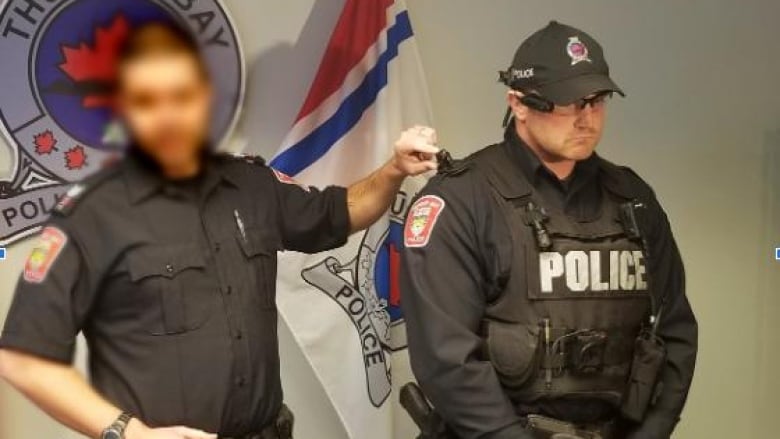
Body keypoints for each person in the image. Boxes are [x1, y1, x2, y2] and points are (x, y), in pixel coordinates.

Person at [0, 22, 438, 439]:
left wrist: (394, 169)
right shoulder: (91, 215)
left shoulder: (251, 185)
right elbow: (22, 357)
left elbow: (341, 211)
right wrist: (127, 431)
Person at [400, 21, 697, 439]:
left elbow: (675, 331)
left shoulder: (633, 198)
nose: (587, 118)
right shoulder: (462, 200)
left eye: (597, 101)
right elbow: (446, 361)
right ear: (519, 104)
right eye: (570, 102)